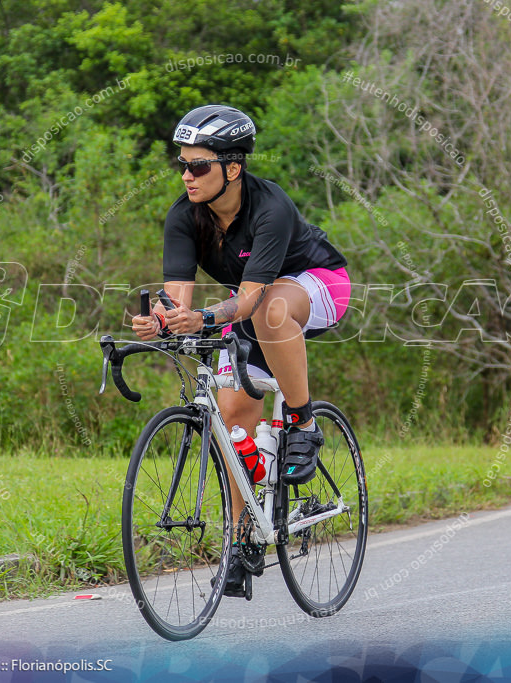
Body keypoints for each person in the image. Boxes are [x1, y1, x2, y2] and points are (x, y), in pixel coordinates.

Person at [130, 104, 351, 597]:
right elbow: (178, 300)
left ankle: (304, 423)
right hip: (251, 306)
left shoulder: (269, 207)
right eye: (182, 164)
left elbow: (250, 297)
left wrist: (207, 317)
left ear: (232, 168)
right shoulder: (183, 218)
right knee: (234, 422)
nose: (186, 175)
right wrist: (161, 320)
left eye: (198, 166)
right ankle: (242, 536)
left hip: (315, 286)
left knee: (270, 309)